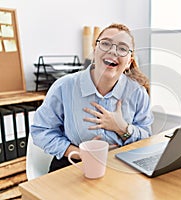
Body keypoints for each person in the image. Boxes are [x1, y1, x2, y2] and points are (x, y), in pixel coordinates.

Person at [31, 23, 153, 172]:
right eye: (106, 43)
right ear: (95, 51)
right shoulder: (64, 87)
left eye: (122, 48)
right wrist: (78, 153)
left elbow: (146, 136)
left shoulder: (138, 93)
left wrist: (122, 128)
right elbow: (41, 130)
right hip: (73, 164)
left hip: (120, 165)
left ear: (129, 61)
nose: (113, 51)